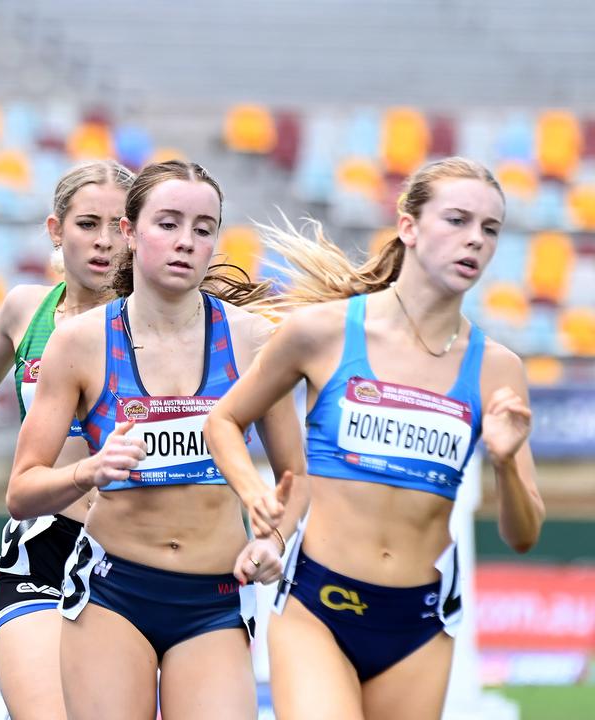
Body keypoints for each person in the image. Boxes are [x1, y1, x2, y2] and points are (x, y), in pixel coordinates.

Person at [204, 156, 545, 719]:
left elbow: (524, 535)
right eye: (456, 220)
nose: (475, 241)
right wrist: (256, 501)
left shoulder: (497, 369)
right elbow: (223, 420)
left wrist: (507, 464)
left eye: (489, 229)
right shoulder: (323, 332)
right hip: (318, 608)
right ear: (407, 226)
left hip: (419, 624)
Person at [8, 160, 305, 719]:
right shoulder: (78, 343)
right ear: (129, 231)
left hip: (214, 598)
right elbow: (21, 491)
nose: (186, 242)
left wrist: (275, 541)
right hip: (112, 594)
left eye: (203, 228)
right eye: (168, 223)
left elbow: (297, 478)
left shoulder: (255, 341)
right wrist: (88, 471)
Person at [0, 160, 133, 719]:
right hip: (40, 541)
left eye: (120, 225)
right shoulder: (26, 309)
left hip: (132, 548)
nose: (105, 241)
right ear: (55, 230)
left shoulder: (157, 322)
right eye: (88, 224)